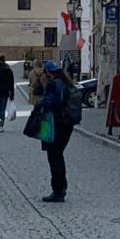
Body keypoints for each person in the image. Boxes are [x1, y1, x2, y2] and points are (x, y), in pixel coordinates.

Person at [38, 61, 74, 203]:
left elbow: (48, 102)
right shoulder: (67, 83)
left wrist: (40, 102)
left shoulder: (53, 84)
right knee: (59, 155)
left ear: (48, 72)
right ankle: (62, 188)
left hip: (54, 123)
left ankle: (58, 191)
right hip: (67, 124)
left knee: (53, 156)